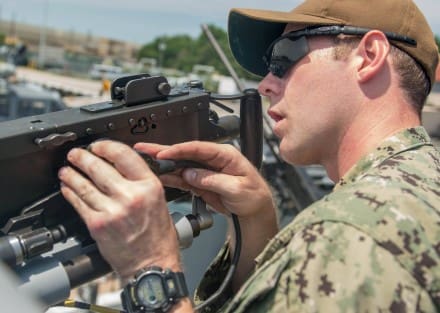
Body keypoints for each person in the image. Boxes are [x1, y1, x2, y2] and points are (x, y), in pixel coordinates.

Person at [58, 0, 440, 312]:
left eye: (284, 58)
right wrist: (257, 226)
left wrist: (150, 269)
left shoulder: (348, 237)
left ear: (368, 55)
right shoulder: (420, 183)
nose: (266, 84)